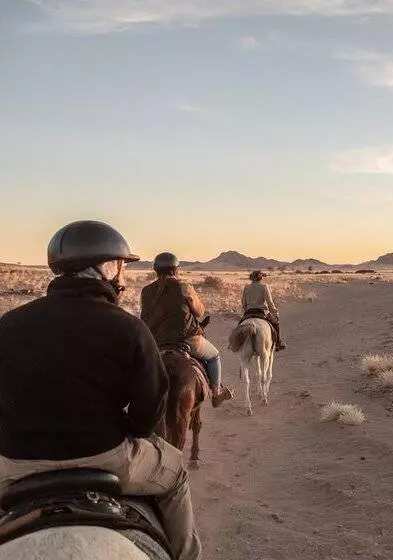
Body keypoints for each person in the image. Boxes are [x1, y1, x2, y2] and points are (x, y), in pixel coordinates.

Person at [0, 220, 202, 560]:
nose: (123, 276)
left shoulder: (7, 325)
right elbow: (145, 416)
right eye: (121, 266)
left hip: (15, 463)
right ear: (106, 267)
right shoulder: (129, 328)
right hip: (104, 454)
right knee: (177, 473)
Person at [140, 253, 232, 408]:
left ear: (155, 270)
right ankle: (216, 393)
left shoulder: (146, 291)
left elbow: (145, 316)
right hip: (187, 339)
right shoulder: (184, 287)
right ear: (176, 269)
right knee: (214, 356)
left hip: (156, 342)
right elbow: (199, 312)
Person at [241, 270, 286, 351]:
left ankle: (236, 343)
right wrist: (275, 312)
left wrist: (247, 309)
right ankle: (278, 343)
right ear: (260, 278)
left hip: (249, 312)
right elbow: (270, 303)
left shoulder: (246, 287)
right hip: (262, 312)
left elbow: (243, 303)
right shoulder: (264, 287)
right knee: (276, 324)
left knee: (240, 325)